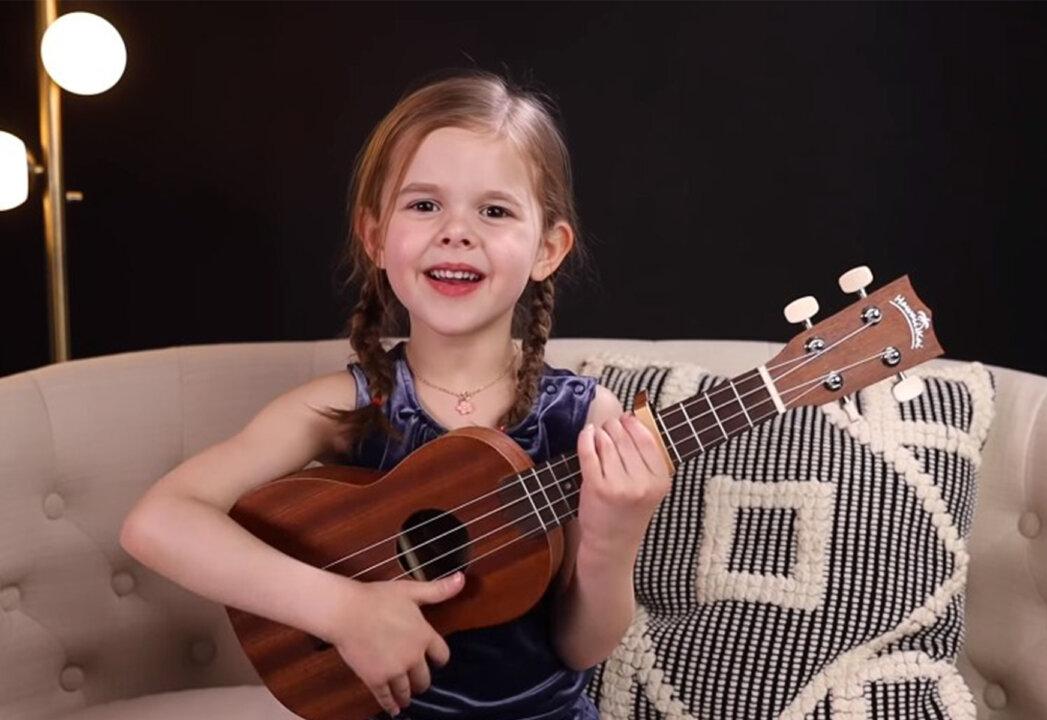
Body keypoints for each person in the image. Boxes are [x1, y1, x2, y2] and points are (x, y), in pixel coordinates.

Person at [119, 69, 673, 720]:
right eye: (424, 205)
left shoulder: (582, 417)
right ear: (376, 237)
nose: (456, 231)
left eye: (494, 211)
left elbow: (580, 648)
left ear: (548, 249)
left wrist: (614, 542)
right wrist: (343, 609)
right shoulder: (346, 408)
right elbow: (156, 522)